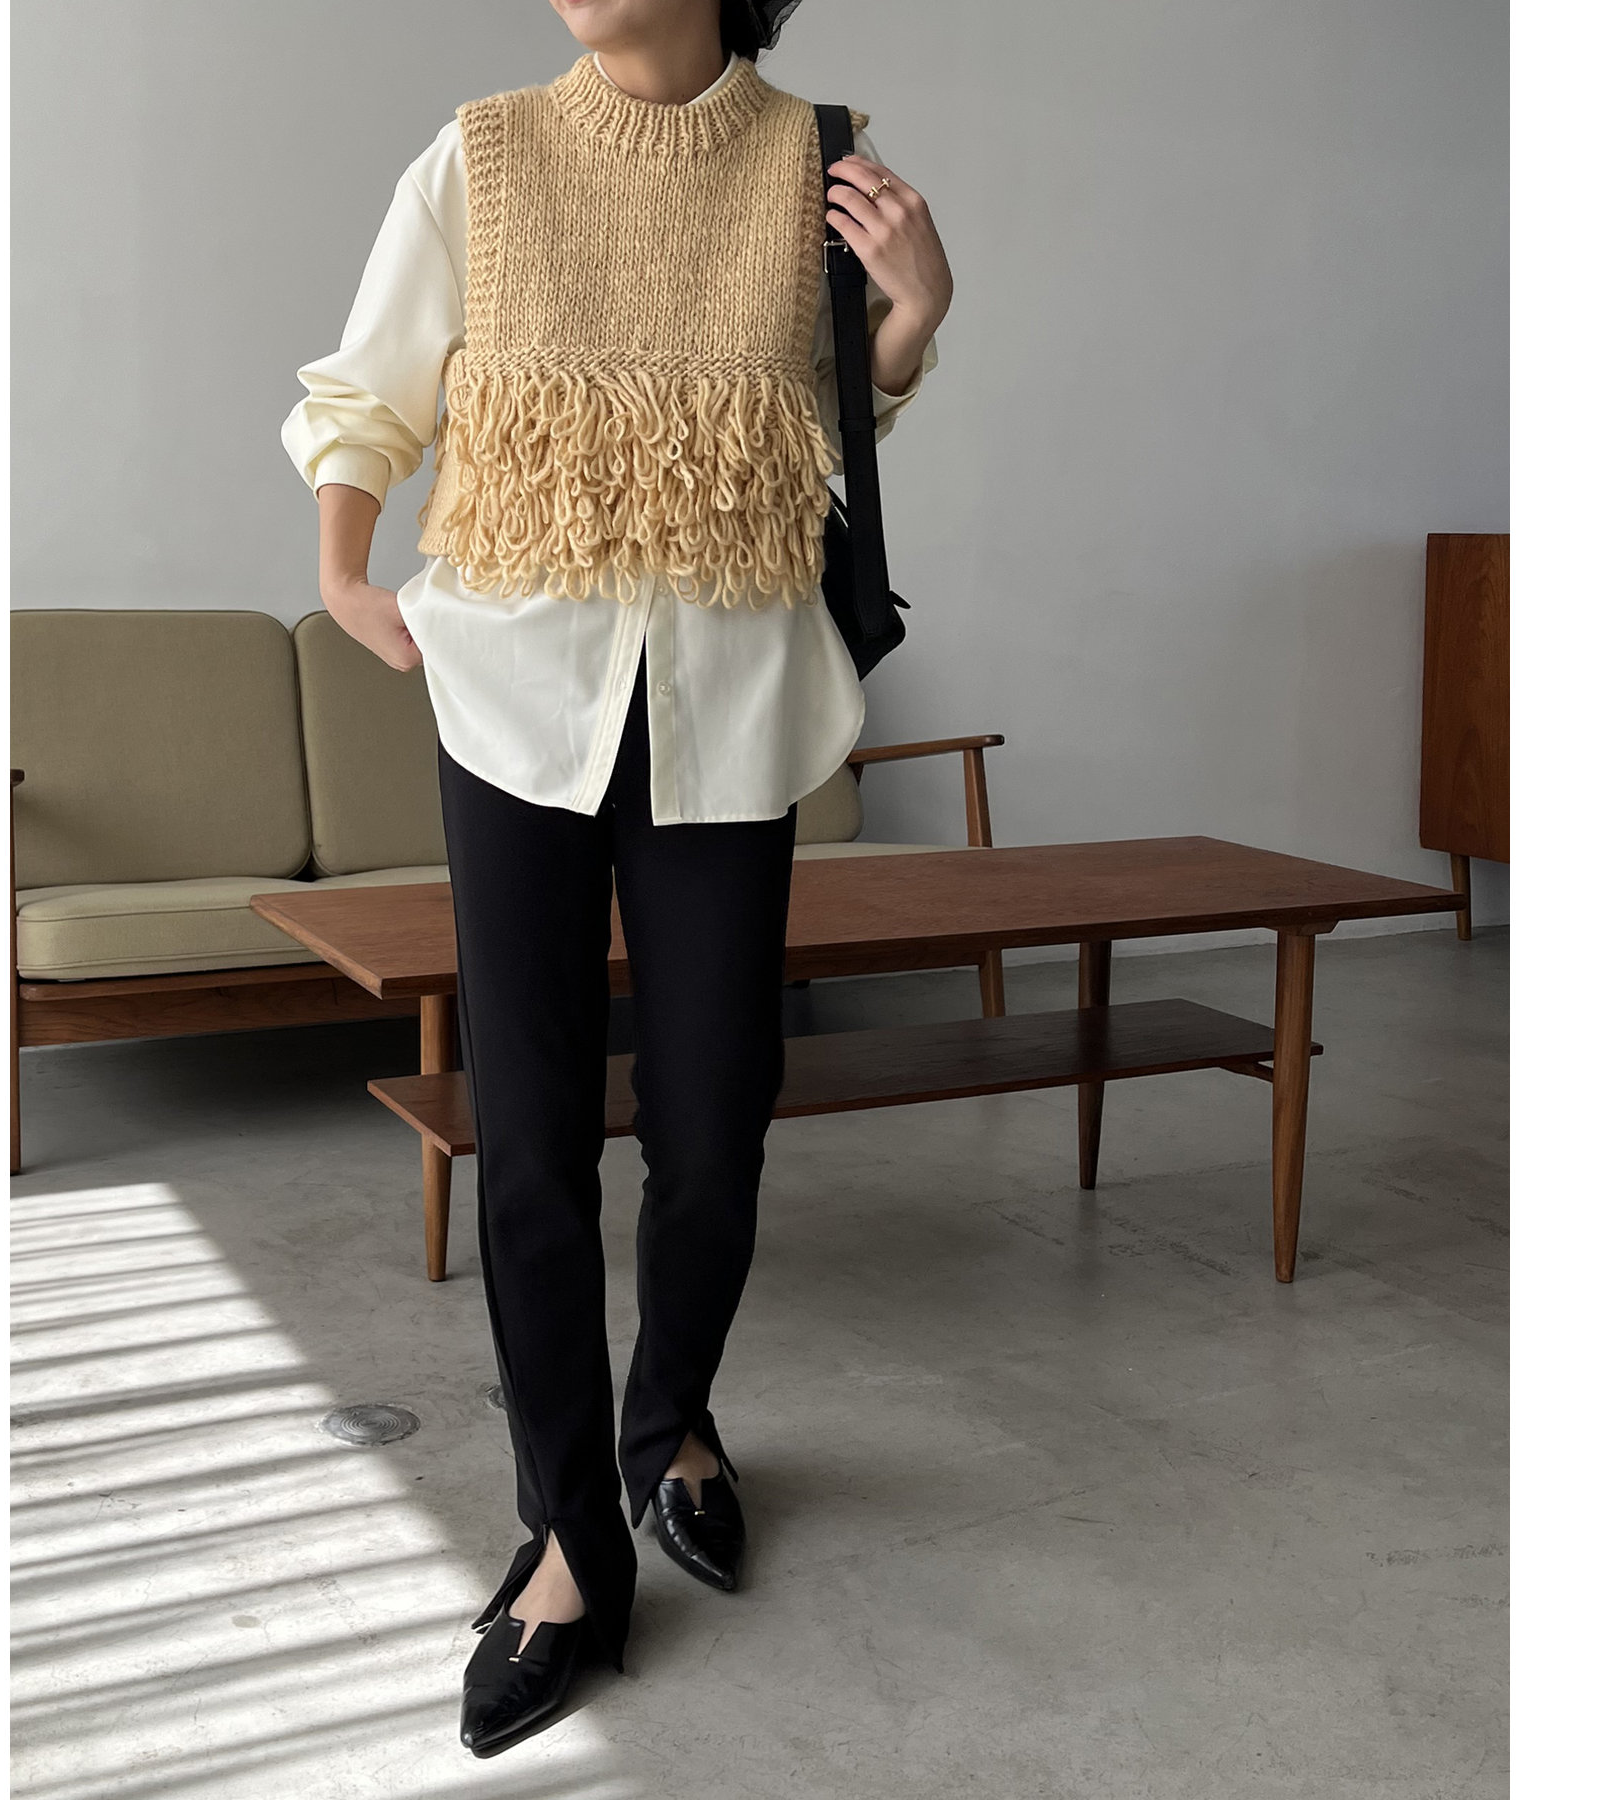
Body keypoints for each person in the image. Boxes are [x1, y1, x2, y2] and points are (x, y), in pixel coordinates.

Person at [281, 0, 950, 1756]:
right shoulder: (488, 152)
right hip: (515, 692)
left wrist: (915, 315)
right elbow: (368, 386)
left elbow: (817, 440)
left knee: (716, 1114)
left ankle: (674, 1423)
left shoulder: (816, 160)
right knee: (530, 1128)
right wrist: (348, 576)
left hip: (731, 690)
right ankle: (570, 1537)